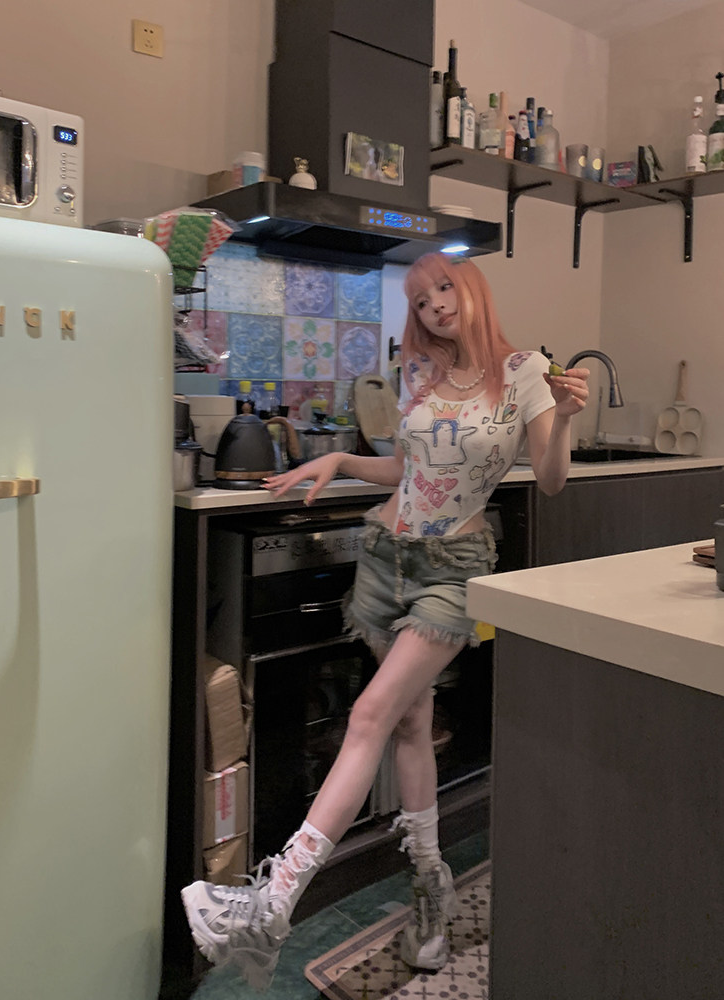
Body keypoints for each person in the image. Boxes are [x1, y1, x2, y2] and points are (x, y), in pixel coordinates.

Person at [181, 252, 590, 989]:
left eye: (444, 287)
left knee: (370, 712)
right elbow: (409, 470)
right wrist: (339, 460)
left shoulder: (526, 371)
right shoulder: (420, 371)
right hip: (383, 559)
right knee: (406, 723)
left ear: (472, 287)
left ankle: (271, 905)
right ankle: (432, 897)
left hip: (453, 570)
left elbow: (552, 479)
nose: (435, 305)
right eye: (421, 299)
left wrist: (561, 418)